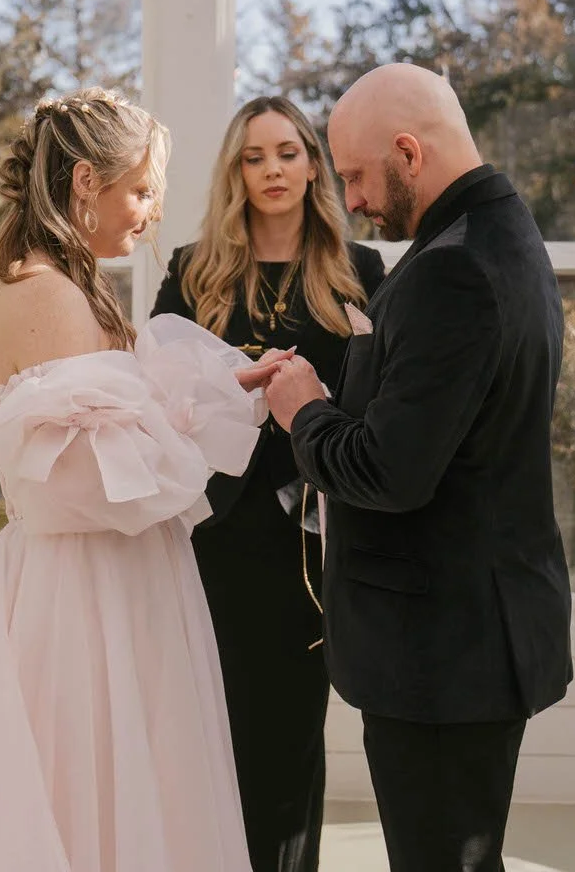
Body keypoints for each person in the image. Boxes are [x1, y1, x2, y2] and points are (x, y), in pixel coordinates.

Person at [0, 88, 293, 872]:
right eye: (139, 189)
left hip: (113, 580)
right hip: (86, 595)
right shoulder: (46, 294)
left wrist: (224, 391)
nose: (151, 209)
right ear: (83, 185)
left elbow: (125, 433)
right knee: (84, 793)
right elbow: (90, 486)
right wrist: (188, 431)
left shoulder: (63, 284)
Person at [263, 63, 574, 872]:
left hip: (444, 652)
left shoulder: (452, 269)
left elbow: (390, 472)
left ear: (409, 152)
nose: (353, 199)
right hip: (471, 632)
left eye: (358, 175)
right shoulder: (501, 234)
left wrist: (305, 407)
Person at [151, 95, 385, 872]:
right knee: (208, 733)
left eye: (287, 152)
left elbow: (382, 403)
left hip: (311, 547)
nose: (272, 170)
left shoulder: (360, 271)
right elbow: (151, 388)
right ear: (235, 172)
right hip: (212, 539)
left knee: (287, 742)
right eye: (254, 157)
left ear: (312, 164)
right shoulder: (194, 270)